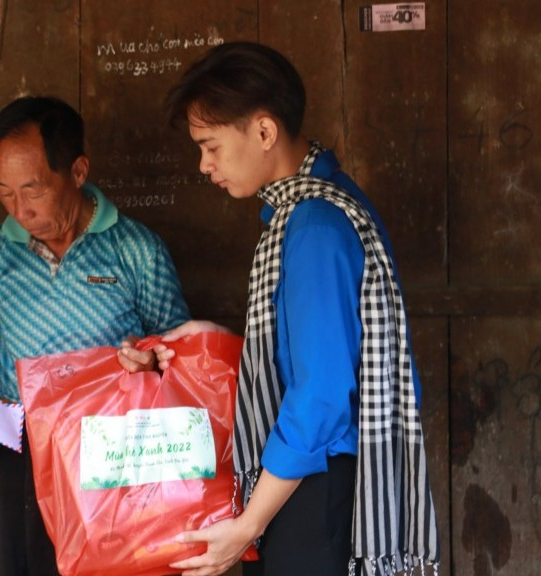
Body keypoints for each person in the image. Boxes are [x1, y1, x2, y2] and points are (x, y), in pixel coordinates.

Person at [155, 42, 440, 576]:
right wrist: (201, 338)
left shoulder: (313, 224)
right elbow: (300, 353)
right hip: (311, 478)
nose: (203, 165)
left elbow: (322, 394)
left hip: (316, 488)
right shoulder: (315, 205)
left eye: (211, 146)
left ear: (264, 132)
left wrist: (248, 524)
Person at [0, 95, 191, 576]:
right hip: (18, 455)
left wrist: (149, 365)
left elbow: (180, 362)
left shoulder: (137, 251)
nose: (20, 209)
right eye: (4, 192)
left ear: (78, 172)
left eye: (33, 190)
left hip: (115, 462)